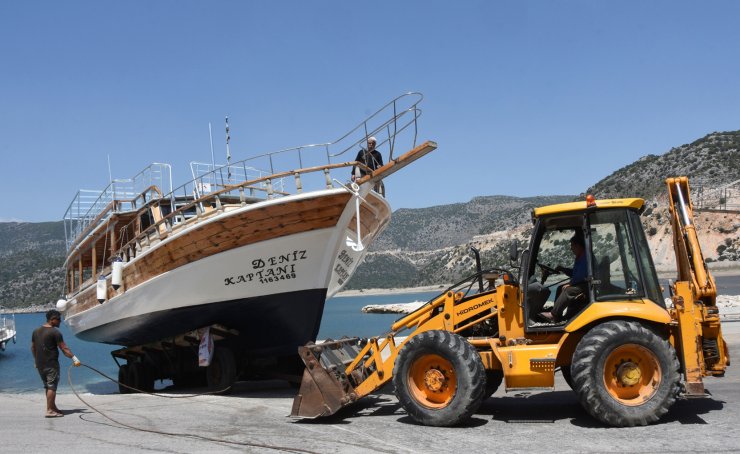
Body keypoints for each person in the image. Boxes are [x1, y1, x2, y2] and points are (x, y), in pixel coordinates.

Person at [31, 309, 81, 418]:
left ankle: (52, 407)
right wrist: (74, 358)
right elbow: (64, 348)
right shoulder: (55, 332)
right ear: (52, 320)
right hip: (51, 364)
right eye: (58, 320)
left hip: (40, 365)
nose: (60, 322)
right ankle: (49, 410)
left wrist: (35, 360)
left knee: (47, 387)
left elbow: (33, 347)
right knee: (52, 387)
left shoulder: (36, 331)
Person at [550, 232, 589, 322]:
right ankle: (557, 316)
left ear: (578, 246)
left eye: (572, 245)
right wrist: (563, 269)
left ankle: (554, 314)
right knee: (560, 287)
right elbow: (575, 273)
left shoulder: (585, 258)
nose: (571, 248)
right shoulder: (580, 257)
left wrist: (570, 284)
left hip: (586, 284)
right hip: (581, 283)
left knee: (567, 290)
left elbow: (581, 275)